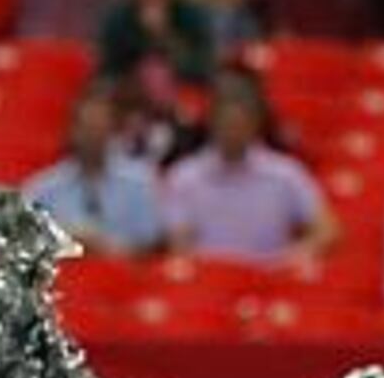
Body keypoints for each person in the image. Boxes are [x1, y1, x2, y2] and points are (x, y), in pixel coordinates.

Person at [157, 70, 333, 263]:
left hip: (271, 280)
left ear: (255, 124)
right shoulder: (184, 177)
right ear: (212, 123)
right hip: (209, 280)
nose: (233, 133)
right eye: (227, 125)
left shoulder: (285, 173)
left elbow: (326, 230)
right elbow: (179, 244)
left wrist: (295, 255)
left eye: (240, 126)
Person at [24, 83, 164, 256]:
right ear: (73, 131)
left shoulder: (139, 181)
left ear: (112, 131)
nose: (94, 136)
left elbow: (153, 247)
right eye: (88, 128)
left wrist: (108, 248)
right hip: (68, 277)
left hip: (123, 275)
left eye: (100, 128)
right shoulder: (44, 189)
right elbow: (30, 249)